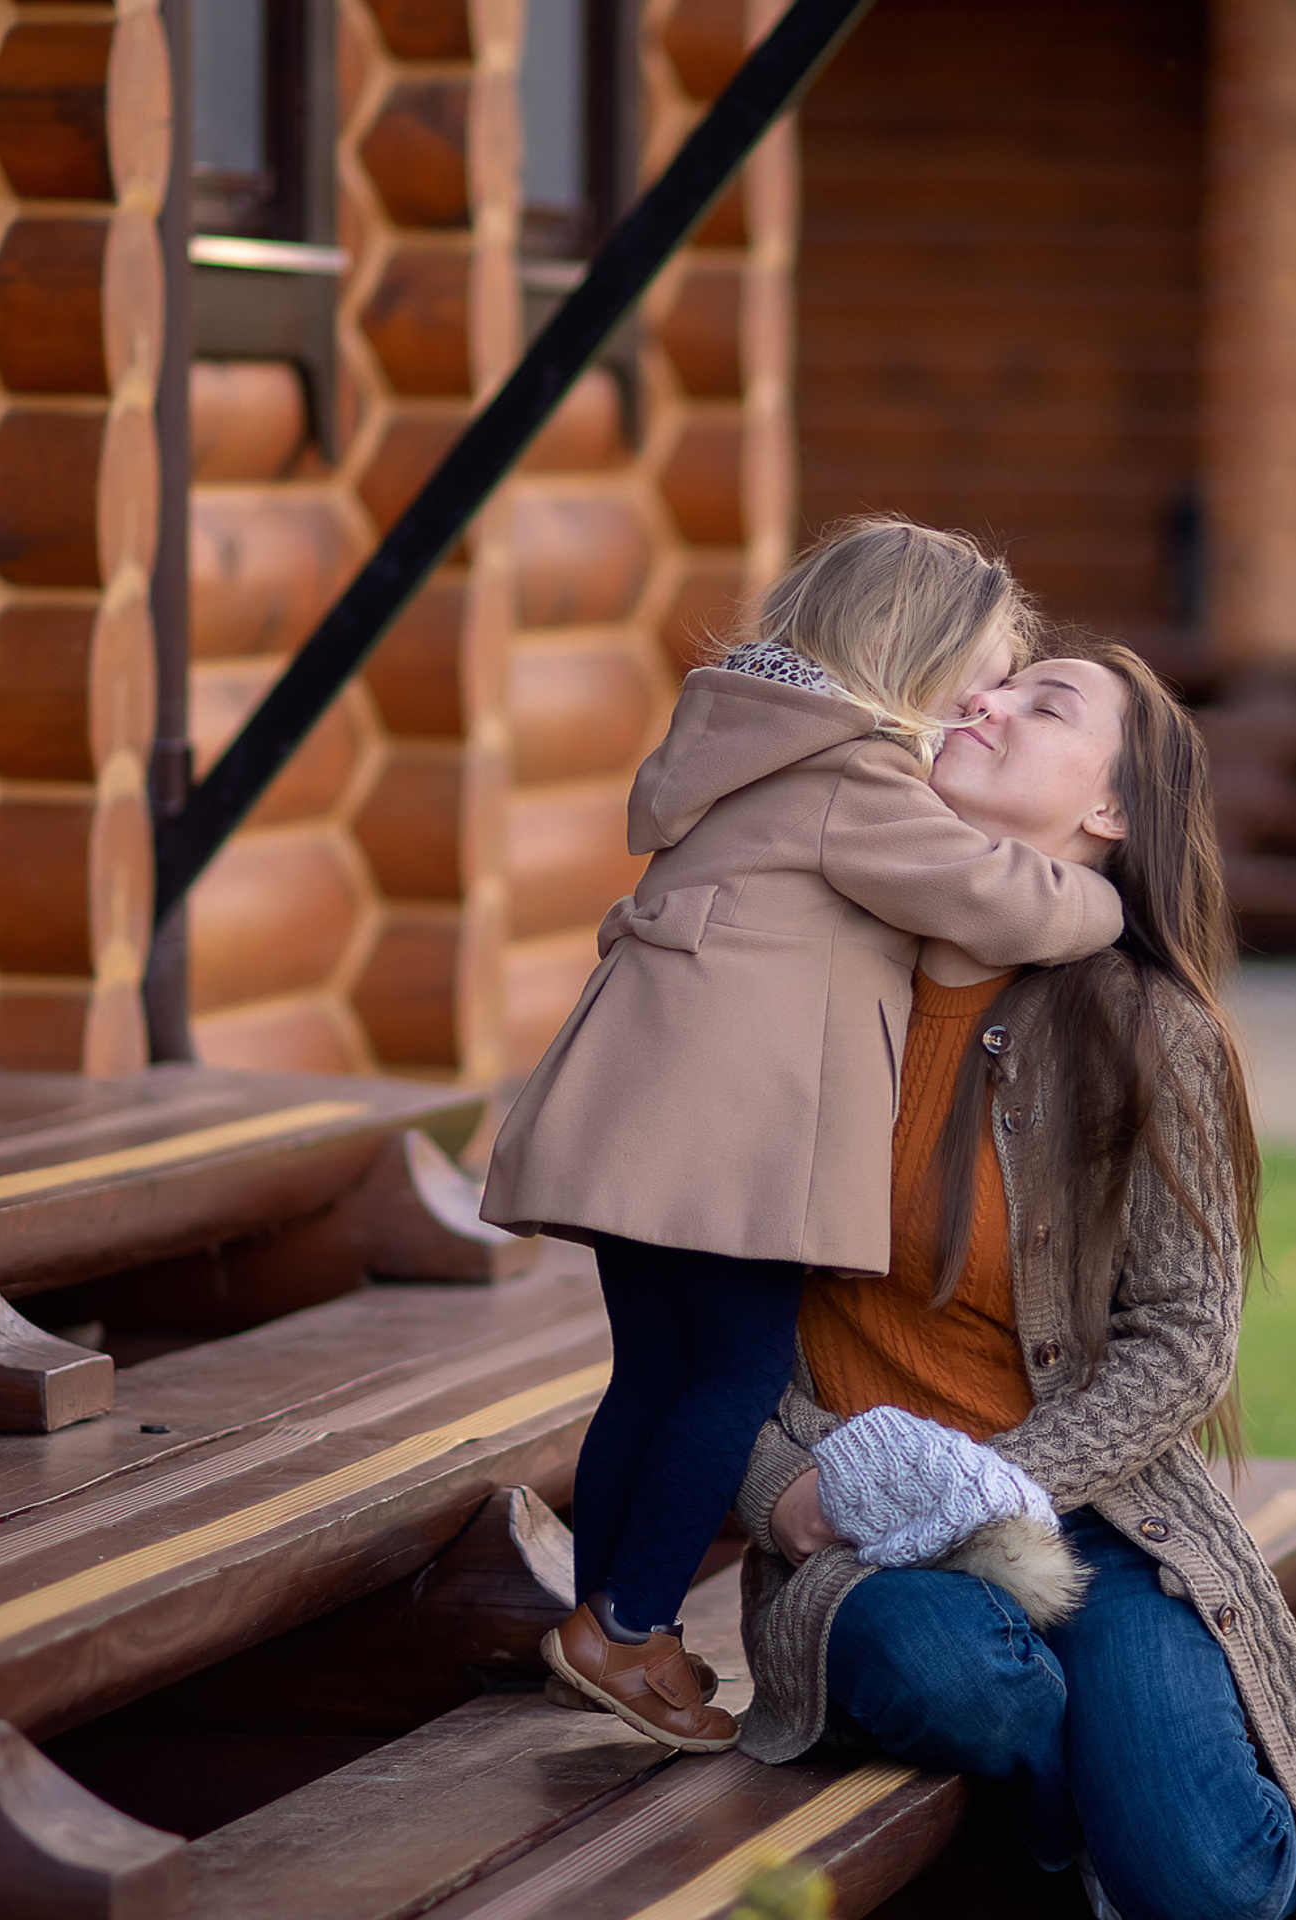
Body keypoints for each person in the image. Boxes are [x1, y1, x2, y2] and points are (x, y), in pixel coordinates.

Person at [733, 636, 1296, 1920]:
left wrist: (1010, 1490)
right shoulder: (808, 989)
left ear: (1109, 811)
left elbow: (1186, 1336)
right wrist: (781, 1487)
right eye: (987, 685)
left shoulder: (1149, 1033)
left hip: (1097, 1518)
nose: (985, 700)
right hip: (862, 1537)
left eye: (1042, 700)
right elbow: (698, 1297)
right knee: (970, 1683)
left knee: (1207, 1885)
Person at [481, 520, 1126, 1753]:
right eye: (976, 676)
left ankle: (615, 1626)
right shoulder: (853, 777)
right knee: (728, 1379)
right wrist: (1102, 897)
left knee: (653, 1376)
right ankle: (628, 1624)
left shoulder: (748, 738)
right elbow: (993, 895)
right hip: (736, 1145)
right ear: (907, 653)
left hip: (646, 1123)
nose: (982, 704)